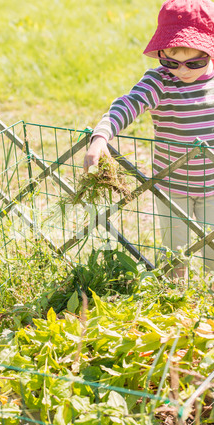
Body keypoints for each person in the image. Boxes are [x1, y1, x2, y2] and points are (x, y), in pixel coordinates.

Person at [84, 0, 214, 277]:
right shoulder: (160, 81)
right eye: (170, 61)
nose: (182, 70)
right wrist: (101, 136)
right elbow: (128, 104)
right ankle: (177, 301)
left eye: (195, 62)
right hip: (171, 186)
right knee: (176, 255)